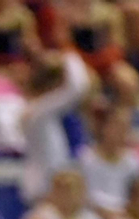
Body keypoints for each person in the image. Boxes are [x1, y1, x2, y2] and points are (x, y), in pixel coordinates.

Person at [20, 51, 89, 205]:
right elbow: (78, 87)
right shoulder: (38, 111)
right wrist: (69, 56)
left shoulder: (41, 112)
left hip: (52, 186)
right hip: (43, 190)